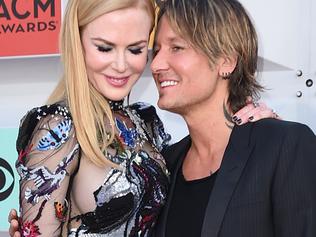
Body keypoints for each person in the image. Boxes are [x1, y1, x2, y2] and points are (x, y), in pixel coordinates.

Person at [8, 0, 277, 236]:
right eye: (105, 48)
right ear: (76, 43)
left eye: (136, 50)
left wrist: (254, 129)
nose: (122, 65)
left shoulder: (144, 122)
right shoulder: (57, 128)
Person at [149, 0, 316, 237]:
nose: (155, 64)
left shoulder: (285, 146)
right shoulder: (165, 165)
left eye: (176, 48)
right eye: (156, 51)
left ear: (226, 61)